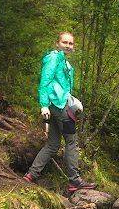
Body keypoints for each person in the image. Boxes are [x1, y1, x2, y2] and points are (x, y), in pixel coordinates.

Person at [24, 31, 95, 191]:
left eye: (70, 43)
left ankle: (31, 175)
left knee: (53, 144)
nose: (68, 46)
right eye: (65, 42)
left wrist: (72, 100)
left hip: (59, 105)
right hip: (59, 107)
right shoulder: (54, 58)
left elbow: (62, 86)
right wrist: (43, 104)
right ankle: (74, 181)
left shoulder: (64, 62)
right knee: (71, 142)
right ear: (57, 44)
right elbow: (45, 81)